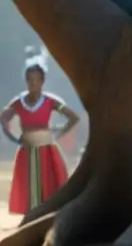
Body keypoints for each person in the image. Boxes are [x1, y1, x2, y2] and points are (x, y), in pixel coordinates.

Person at [1, 48, 79, 215]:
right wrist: (14, 138)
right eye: (30, 79)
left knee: (48, 186)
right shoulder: (19, 103)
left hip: (47, 151)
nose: (33, 83)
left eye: (37, 79)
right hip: (27, 151)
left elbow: (73, 117)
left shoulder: (51, 102)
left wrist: (58, 134)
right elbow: (3, 117)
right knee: (29, 190)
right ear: (26, 81)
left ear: (42, 81)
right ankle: (31, 220)